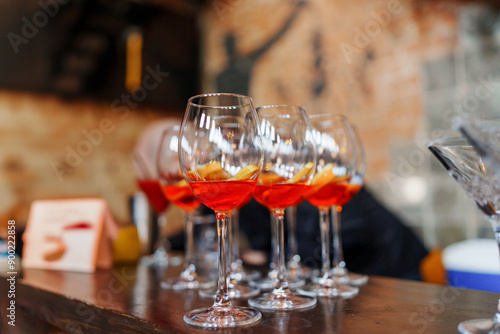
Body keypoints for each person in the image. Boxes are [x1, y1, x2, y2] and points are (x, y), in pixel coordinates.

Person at [239, 186, 428, 281]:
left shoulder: (324, 185)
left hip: (397, 273)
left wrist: (280, 256)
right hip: (372, 275)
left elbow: (353, 230)